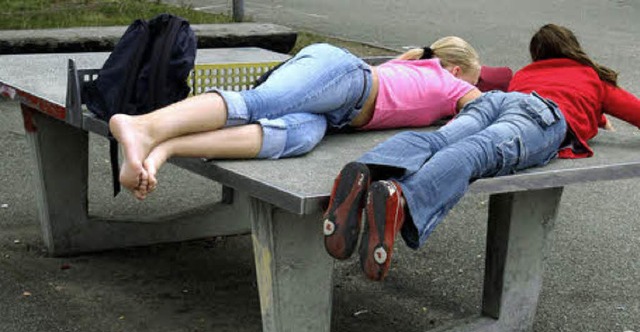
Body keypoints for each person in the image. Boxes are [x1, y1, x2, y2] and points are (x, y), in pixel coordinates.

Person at [323, 23, 640, 281]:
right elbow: (632, 111)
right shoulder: (590, 76)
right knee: (476, 152)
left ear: (537, 55)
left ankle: (366, 170)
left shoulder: (527, 74)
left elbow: (554, 96)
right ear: (574, 49)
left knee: (440, 141)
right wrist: (597, 114)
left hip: (496, 101)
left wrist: (596, 116)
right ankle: (400, 198)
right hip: (541, 117)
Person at [109, 37, 504, 200]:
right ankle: (142, 126)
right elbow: (483, 109)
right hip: (346, 77)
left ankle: (162, 150)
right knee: (262, 101)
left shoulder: (417, 67)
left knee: (292, 138)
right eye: (472, 79)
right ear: (456, 72)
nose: (472, 88)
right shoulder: (449, 83)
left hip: (336, 115)